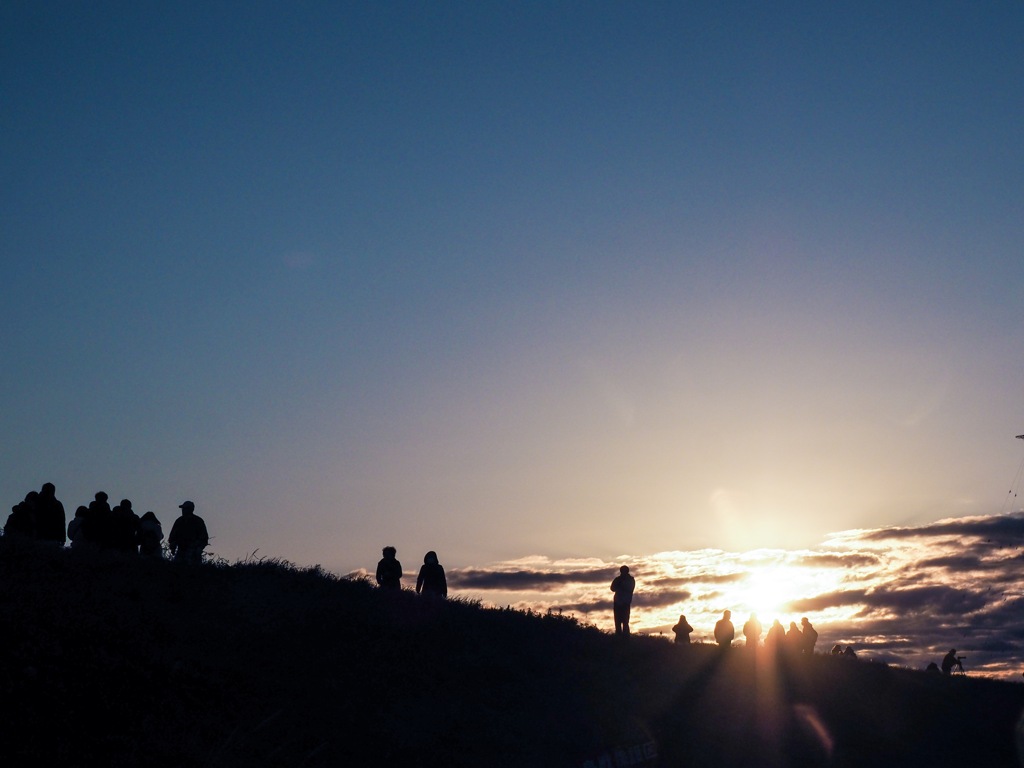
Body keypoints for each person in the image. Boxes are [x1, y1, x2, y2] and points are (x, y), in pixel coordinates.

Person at [610, 565, 636, 635]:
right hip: (618, 602)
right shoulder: (618, 579)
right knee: (618, 621)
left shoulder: (630, 580)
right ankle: (619, 636)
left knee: (625, 621)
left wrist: (620, 585)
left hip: (625, 603)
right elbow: (612, 588)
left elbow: (630, 589)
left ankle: (625, 637)